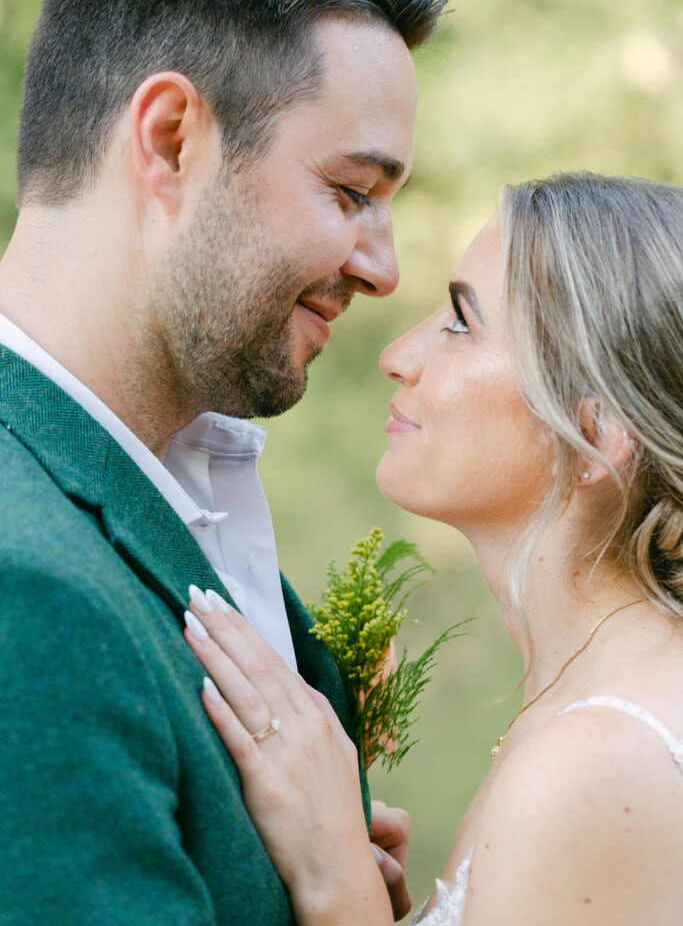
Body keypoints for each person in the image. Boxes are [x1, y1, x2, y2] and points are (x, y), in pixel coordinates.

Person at [0, 0, 447, 922]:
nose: (381, 268)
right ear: (169, 139)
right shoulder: (26, 593)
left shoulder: (165, 493)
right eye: (349, 191)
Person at [182, 171, 683, 925]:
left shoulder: (591, 766)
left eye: (459, 323)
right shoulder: (586, 711)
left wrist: (340, 891)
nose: (397, 354)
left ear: (596, 437)